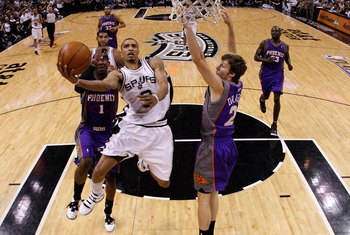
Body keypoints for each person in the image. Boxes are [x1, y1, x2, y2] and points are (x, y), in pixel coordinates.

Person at [57, 38, 173, 220]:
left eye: (134, 45)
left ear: (138, 49)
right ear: (121, 52)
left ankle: (144, 160)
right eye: (126, 46)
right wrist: (77, 82)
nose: (130, 49)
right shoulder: (119, 75)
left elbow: (163, 84)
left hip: (158, 130)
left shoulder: (153, 62)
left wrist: (157, 98)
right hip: (133, 129)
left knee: (164, 183)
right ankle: (95, 195)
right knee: (97, 171)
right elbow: (104, 85)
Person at [182, 6, 247, 235]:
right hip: (228, 145)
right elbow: (234, 56)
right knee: (214, 193)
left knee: (202, 196)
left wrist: (187, 26)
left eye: (222, 66)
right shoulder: (237, 83)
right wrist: (230, 27)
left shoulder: (219, 86)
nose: (218, 66)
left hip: (212, 148)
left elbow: (198, 59)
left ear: (229, 74)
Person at [65, 50, 119, 232]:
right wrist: (89, 65)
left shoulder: (116, 79)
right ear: (94, 62)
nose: (102, 62)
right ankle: (75, 200)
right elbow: (77, 86)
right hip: (87, 129)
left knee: (111, 176)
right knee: (86, 161)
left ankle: (108, 212)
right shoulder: (86, 81)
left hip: (108, 133)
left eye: (105, 59)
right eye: (98, 59)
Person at [254, 25, 293, 136]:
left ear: (280, 33)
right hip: (266, 73)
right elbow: (255, 57)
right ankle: (262, 100)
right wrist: (266, 59)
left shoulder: (285, 46)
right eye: (272, 30)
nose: (274, 32)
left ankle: (274, 124)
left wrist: (289, 64)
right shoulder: (265, 43)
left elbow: (287, 56)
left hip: (278, 74)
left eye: (276, 31)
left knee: (277, 97)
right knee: (266, 96)